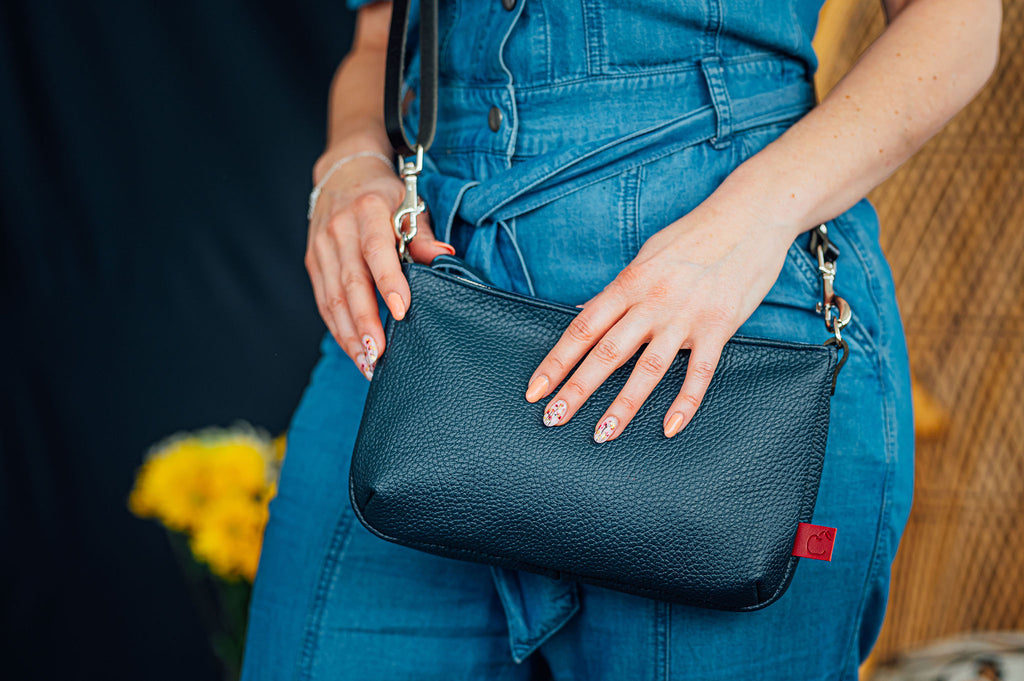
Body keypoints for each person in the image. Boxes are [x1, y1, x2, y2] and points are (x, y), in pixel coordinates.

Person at [241, 0, 1000, 678]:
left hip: (726, 310)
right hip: (430, 308)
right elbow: (380, 35)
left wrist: (752, 222)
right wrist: (350, 161)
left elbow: (958, 23)